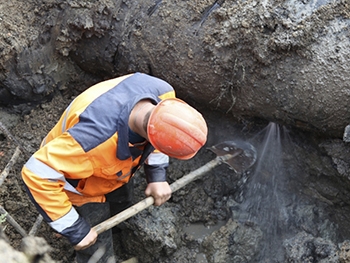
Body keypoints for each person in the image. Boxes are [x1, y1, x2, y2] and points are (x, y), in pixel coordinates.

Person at [21, 72, 208, 262]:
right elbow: (36, 173)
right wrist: (75, 229)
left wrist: (157, 175)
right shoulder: (92, 140)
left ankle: (121, 230)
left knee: (123, 203)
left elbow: (161, 134)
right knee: (95, 249)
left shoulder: (165, 95)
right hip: (77, 181)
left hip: (117, 168)